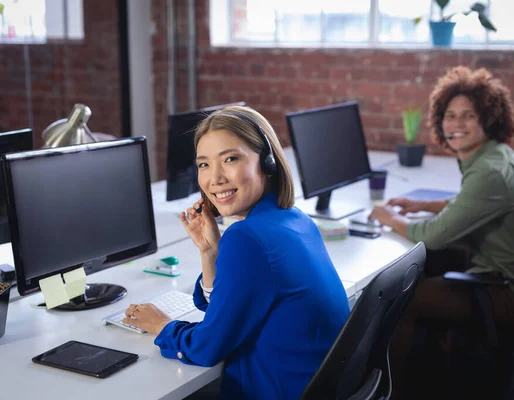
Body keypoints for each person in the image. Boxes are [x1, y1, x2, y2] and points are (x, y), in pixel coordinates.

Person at [123, 106, 350, 399]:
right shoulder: (296, 219)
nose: (214, 178)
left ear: (267, 164)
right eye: (204, 164)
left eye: (230, 159)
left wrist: (163, 325)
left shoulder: (248, 237)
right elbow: (229, 315)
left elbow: (207, 348)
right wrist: (210, 253)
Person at [370, 66, 514, 398]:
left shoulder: (489, 171)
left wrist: (388, 216)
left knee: (397, 299)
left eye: (469, 115)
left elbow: (435, 235)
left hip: (508, 294)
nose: (457, 124)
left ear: (488, 119)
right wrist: (424, 204)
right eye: (450, 115)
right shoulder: (496, 156)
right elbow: (473, 204)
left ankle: (394, 392)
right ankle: (436, 369)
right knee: (434, 263)